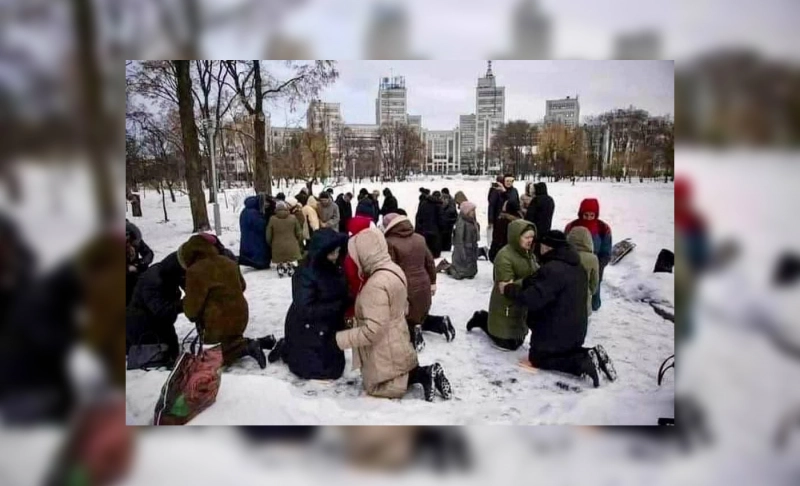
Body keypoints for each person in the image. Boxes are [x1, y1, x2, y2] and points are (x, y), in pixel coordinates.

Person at [335, 228, 452, 402]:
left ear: (365, 254)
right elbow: (403, 306)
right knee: (397, 369)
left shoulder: (374, 285)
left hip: (383, 344)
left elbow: (372, 331)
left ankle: (426, 373)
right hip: (397, 334)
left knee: (379, 387)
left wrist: (340, 339)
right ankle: (425, 373)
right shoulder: (393, 269)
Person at [498, 230, 616, 387]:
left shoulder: (553, 269)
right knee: (564, 352)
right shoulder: (575, 265)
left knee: (539, 358)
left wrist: (508, 289)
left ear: (546, 247)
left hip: (555, 331)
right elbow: (539, 282)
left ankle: (582, 362)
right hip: (575, 330)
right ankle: (592, 355)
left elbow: (532, 298)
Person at [179, 234, 270, 369]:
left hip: (216, 322)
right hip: (241, 315)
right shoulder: (228, 261)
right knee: (230, 339)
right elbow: (242, 286)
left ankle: (246, 347)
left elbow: (192, 310)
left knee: (211, 358)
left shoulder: (195, 271)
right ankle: (254, 343)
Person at [269, 229, 349, 380]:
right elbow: (305, 309)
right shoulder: (305, 273)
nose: (336, 256)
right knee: (320, 371)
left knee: (335, 368)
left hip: (327, 327)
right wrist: (336, 306)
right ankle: (287, 348)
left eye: (338, 251)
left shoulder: (333, 266)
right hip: (308, 328)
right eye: (332, 253)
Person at [383, 213, 456, 351]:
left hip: (405, 286)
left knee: (404, 318)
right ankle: (441, 322)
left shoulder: (389, 243)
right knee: (419, 315)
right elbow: (429, 262)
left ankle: (414, 334)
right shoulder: (419, 238)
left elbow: (391, 270)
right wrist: (433, 282)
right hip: (423, 284)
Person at [467, 220, 538, 351]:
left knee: (518, 339)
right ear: (516, 237)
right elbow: (505, 286)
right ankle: (482, 318)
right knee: (507, 344)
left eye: (532, 237)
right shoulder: (504, 256)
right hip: (506, 304)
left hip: (521, 303)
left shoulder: (528, 254)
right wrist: (530, 280)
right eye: (526, 237)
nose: (530, 240)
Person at [126, 252, 186, 363]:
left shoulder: (167, 274)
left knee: (172, 351)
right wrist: (184, 304)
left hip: (156, 324)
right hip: (142, 328)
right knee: (161, 357)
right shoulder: (154, 280)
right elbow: (161, 311)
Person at [565, 198, 612, 311]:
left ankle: (594, 305)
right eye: (586, 215)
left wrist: (599, 265)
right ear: (581, 213)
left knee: (594, 285)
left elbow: (606, 250)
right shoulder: (571, 226)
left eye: (592, 215)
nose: (589, 218)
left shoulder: (603, 228)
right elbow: (565, 245)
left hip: (595, 262)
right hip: (574, 261)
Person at [343, 199, 377, 320]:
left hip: (351, 256)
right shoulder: (370, 224)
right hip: (365, 257)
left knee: (353, 284)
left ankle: (351, 313)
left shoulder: (351, 222)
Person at [441, 201, 479, 280]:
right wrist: (462, 253)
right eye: (472, 211)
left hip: (471, 249)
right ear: (466, 211)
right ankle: (448, 267)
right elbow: (459, 239)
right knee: (459, 273)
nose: (473, 212)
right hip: (463, 249)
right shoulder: (461, 222)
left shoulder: (472, 221)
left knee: (471, 272)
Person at [567, 227, 600, 316]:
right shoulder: (592, 259)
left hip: (565, 299)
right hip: (583, 300)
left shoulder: (565, 254)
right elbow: (594, 283)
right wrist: (590, 291)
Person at [267, 201, 303, 277]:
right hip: (292, 245)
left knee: (280, 258)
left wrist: (270, 243)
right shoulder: (293, 218)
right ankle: (289, 265)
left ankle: (280, 266)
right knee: (290, 257)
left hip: (277, 246)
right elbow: (299, 233)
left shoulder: (272, 219)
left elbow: (268, 235)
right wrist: (297, 241)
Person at [125, 221, 154, 305]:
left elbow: (149, 253)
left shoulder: (135, 239)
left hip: (137, 274)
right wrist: (128, 268)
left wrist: (142, 262)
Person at [238, 196, 270, 270]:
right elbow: (261, 225)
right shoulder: (254, 213)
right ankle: (260, 263)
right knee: (257, 250)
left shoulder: (245, 211)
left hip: (247, 236)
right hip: (255, 238)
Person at [415, 189, 443, 258]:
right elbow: (441, 219)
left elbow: (418, 217)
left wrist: (418, 229)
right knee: (435, 255)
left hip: (424, 231)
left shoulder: (423, 204)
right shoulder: (438, 205)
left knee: (426, 252)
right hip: (435, 231)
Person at [487, 176, 505, 248]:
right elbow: (491, 206)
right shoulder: (496, 191)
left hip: (498, 217)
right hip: (497, 217)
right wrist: (491, 220)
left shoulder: (500, 191)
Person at [440, 188, 458, 253]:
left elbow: (452, 211)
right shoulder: (450, 200)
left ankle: (446, 249)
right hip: (446, 222)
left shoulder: (451, 201)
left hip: (448, 222)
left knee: (447, 237)